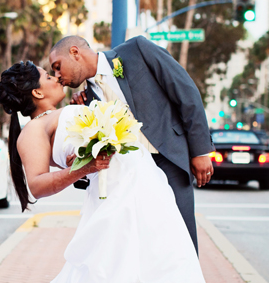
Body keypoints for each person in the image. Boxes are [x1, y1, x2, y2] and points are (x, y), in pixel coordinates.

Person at [0, 60, 220, 283]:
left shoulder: (71, 109)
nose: (56, 77)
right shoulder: (33, 131)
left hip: (147, 191)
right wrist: (86, 166)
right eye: (48, 76)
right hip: (114, 203)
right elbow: (37, 184)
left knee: (166, 266)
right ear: (36, 91)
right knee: (117, 275)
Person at [49, 35, 213, 255]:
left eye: (57, 67)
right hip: (129, 177)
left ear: (75, 52)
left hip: (168, 160)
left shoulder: (137, 50)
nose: (58, 77)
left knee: (182, 239)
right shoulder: (85, 101)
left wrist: (200, 151)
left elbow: (185, 91)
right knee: (143, 247)